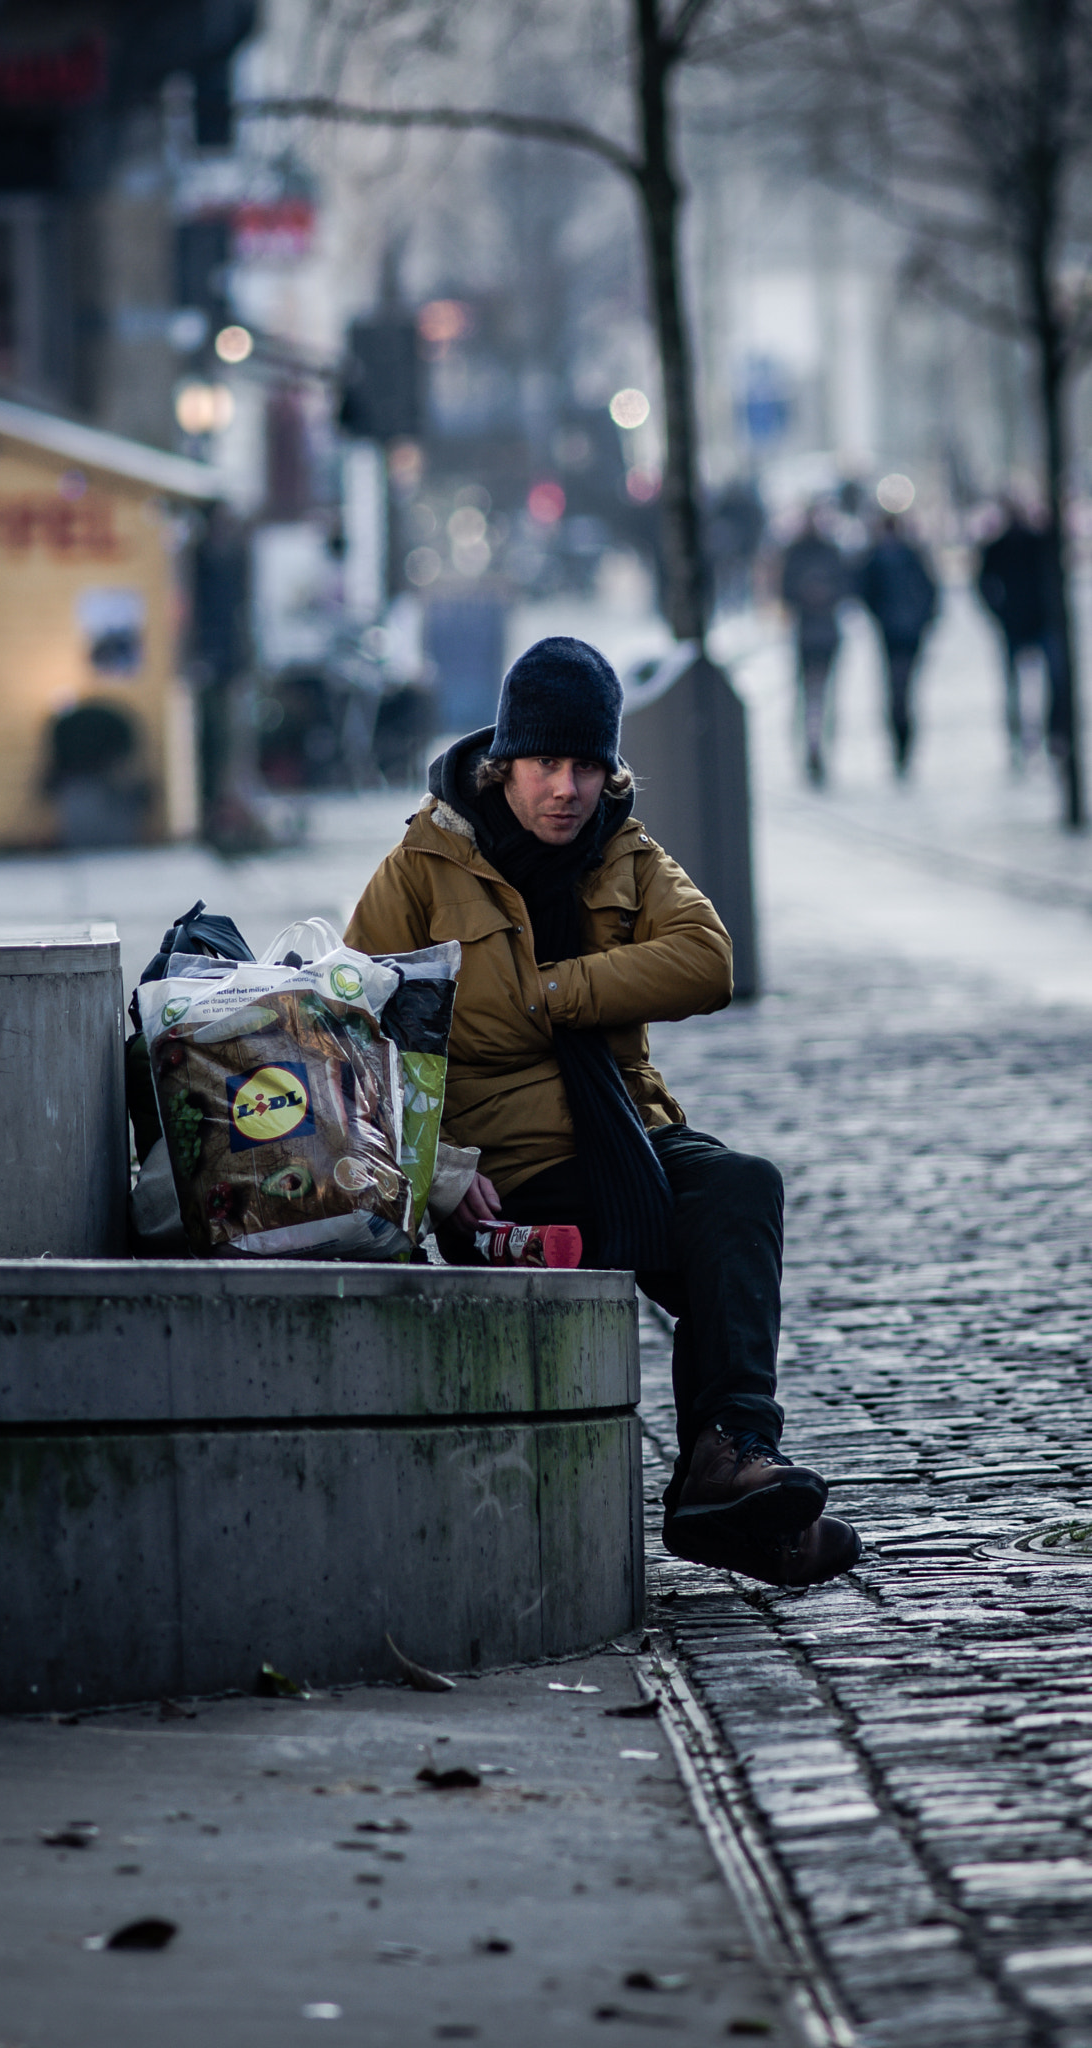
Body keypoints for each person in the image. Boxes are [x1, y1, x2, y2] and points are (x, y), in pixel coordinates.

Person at [346, 636, 861, 1588]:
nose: (566, 789)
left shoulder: (623, 851)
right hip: (509, 1174)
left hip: (627, 1136)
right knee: (697, 1231)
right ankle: (740, 1520)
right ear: (504, 763)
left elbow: (708, 962)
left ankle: (726, 1455)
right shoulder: (422, 868)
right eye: (546, 763)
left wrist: (552, 992)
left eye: (587, 765)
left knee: (739, 1190)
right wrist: (447, 1177)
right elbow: (359, 1041)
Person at [977, 502, 1062, 768]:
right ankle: (1026, 735)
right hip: (1021, 621)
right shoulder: (1001, 547)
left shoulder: (1032, 544)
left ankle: (1045, 734)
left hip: (1033, 620)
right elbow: (984, 583)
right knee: (1024, 683)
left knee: (1049, 680)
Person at [856, 514, 938, 776]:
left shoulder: (899, 557)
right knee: (901, 692)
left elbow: (929, 593)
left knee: (899, 691)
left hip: (903, 633)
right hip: (897, 634)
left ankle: (902, 743)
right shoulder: (884, 558)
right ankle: (902, 743)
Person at [780, 505, 850, 786]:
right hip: (808, 634)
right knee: (812, 694)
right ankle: (812, 744)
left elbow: (846, 587)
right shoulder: (799, 552)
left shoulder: (828, 552)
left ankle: (818, 744)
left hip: (824, 633)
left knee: (821, 695)